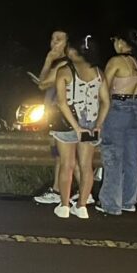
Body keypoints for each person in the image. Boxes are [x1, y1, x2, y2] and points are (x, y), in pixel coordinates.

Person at [50, 35, 110, 219]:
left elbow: (61, 102)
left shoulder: (65, 71)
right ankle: (82, 205)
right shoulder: (98, 72)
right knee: (86, 166)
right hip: (91, 123)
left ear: (72, 51)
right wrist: (98, 124)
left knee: (67, 165)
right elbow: (106, 102)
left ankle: (64, 205)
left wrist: (76, 128)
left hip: (69, 124)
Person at [33, 30, 93, 206]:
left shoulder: (64, 65)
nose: (53, 43)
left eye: (58, 39)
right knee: (64, 157)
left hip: (66, 117)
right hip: (78, 115)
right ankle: (59, 190)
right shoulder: (75, 64)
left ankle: (82, 194)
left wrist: (48, 60)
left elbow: (42, 84)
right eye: (52, 38)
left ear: (68, 43)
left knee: (69, 158)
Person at [96, 29, 137, 216]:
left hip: (119, 108)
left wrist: (99, 118)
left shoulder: (116, 61)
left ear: (121, 42)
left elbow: (104, 90)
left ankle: (111, 203)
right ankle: (128, 200)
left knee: (113, 156)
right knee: (132, 158)